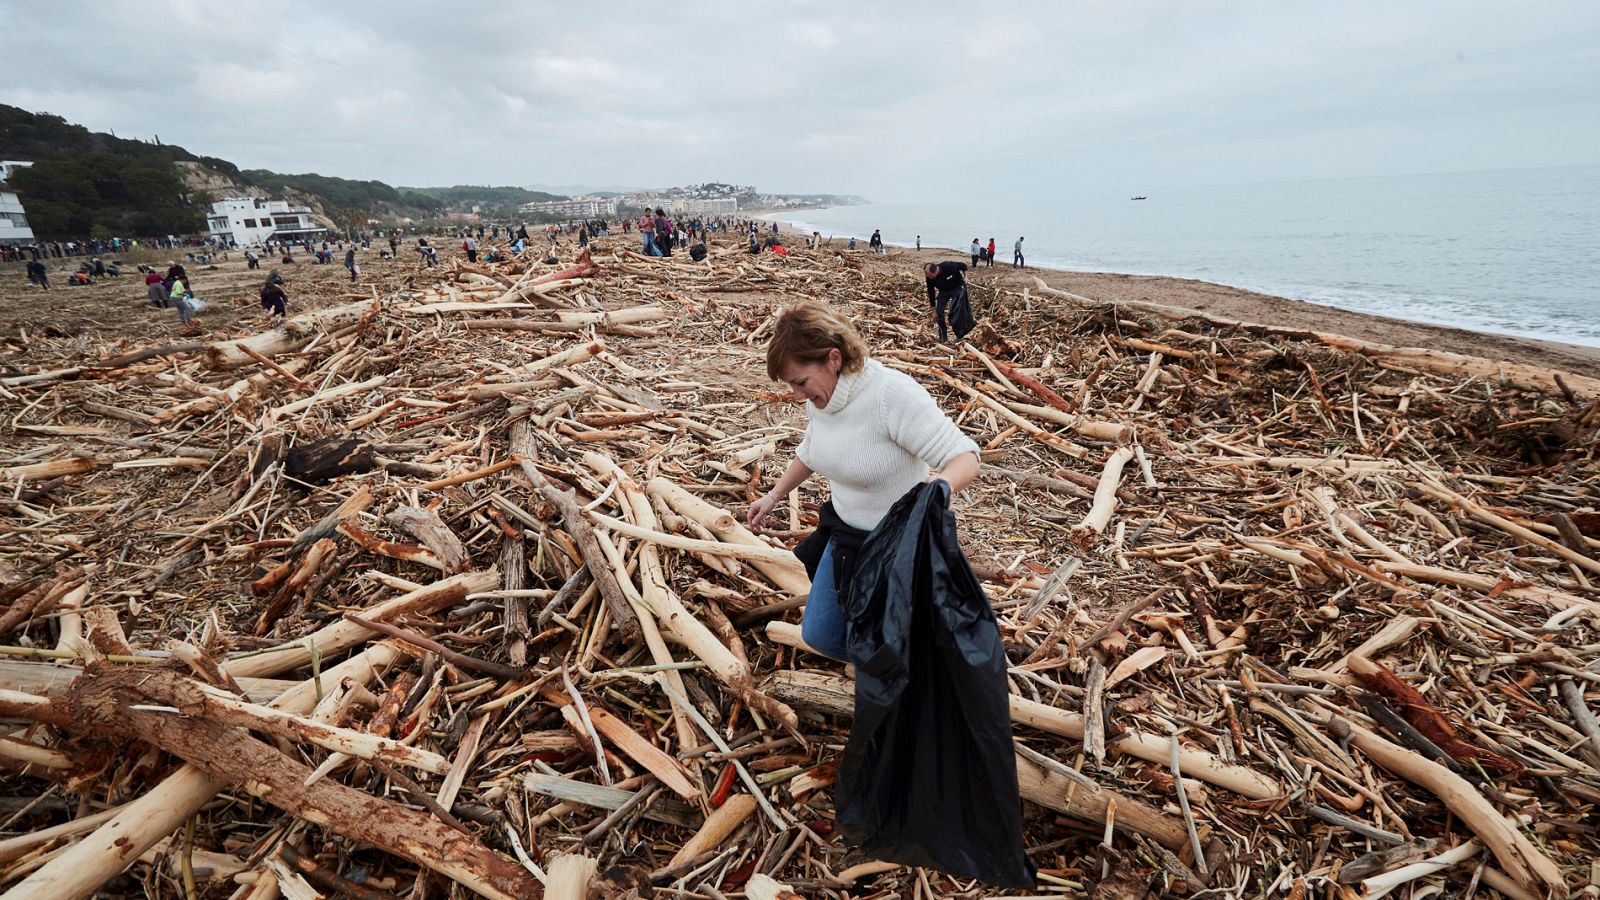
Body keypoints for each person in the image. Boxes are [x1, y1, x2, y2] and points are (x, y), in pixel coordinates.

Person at [745, 301, 981, 662]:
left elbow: (965, 456)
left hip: (897, 546)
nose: (796, 395)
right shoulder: (823, 400)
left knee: (897, 646)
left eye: (800, 382)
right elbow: (812, 449)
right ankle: (877, 669)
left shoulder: (890, 395)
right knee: (821, 634)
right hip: (845, 537)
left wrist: (940, 488)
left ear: (834, 359)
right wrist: (775, 495)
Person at [924, 261, 968, 343]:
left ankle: (959, 335)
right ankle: (943, 337)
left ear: (936, 271)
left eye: (931, 276)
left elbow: (963, 265)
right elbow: (931, 293)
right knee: (939, 312)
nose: (930, 278)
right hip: (943, 291)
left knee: (956, 310)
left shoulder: (948, 266)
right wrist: (933, 311)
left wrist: (965, 277)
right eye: (928, 276)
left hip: (956, 287)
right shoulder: (929, 277)